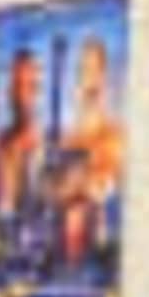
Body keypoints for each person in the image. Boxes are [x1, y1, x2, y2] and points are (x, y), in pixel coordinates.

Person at [56, 34, 125, 272]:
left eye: (95, 70)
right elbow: (56, 190)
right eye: (84, 70)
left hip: (100, 246)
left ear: (105, 76)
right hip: (65, 251)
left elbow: (108, 188)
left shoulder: (115, 134)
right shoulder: (67, 138)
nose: (90, 79)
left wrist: (88, 187)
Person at [0, 44, 47, 270]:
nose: (21, 96)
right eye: (16, 86)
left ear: (38, 91)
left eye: (29, 87)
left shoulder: (49, 148)